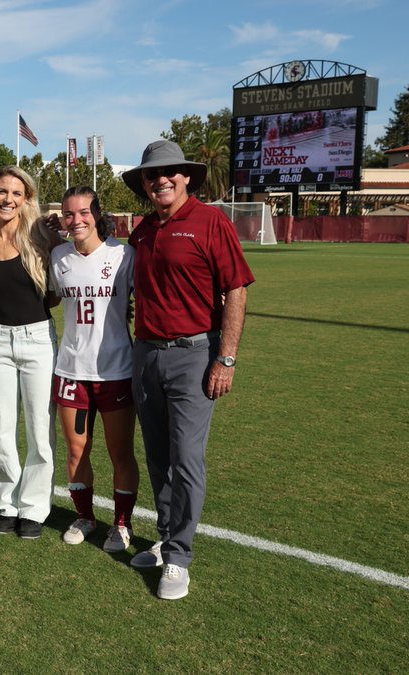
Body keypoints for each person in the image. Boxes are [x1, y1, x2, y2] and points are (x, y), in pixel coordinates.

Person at [121, 140, 254, 600]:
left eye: (170, 172)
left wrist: (227, 357)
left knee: (187, 457)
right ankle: (164, 536)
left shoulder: (211, 220)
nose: (162, 179)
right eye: (153, 174)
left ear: (185, 177)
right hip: (146, 354)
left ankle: (178, 556)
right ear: (144, 183)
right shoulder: (142, 231)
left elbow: (236, 289)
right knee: (157, 454)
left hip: (195, 354)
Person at [47, 186, 138, 553]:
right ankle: (85, 516)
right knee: (76, 449)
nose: (76, 220)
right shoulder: (58, 256)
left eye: (83, 212)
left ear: (97, 214)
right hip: (71, 368)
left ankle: (121, 523)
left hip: (116, 369)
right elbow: (49, 296)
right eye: (69, 214)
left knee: (121, 452)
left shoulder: (122, 254)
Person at [0, 166, 58, 540]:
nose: (8, 199)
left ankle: (34, 509)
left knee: (40, 428)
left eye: (16, 193)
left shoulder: (42, 236)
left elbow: (54, 292)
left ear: (26, 200)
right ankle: (7, 503)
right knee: (1, 426)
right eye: (2, 191)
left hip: (38, 339)